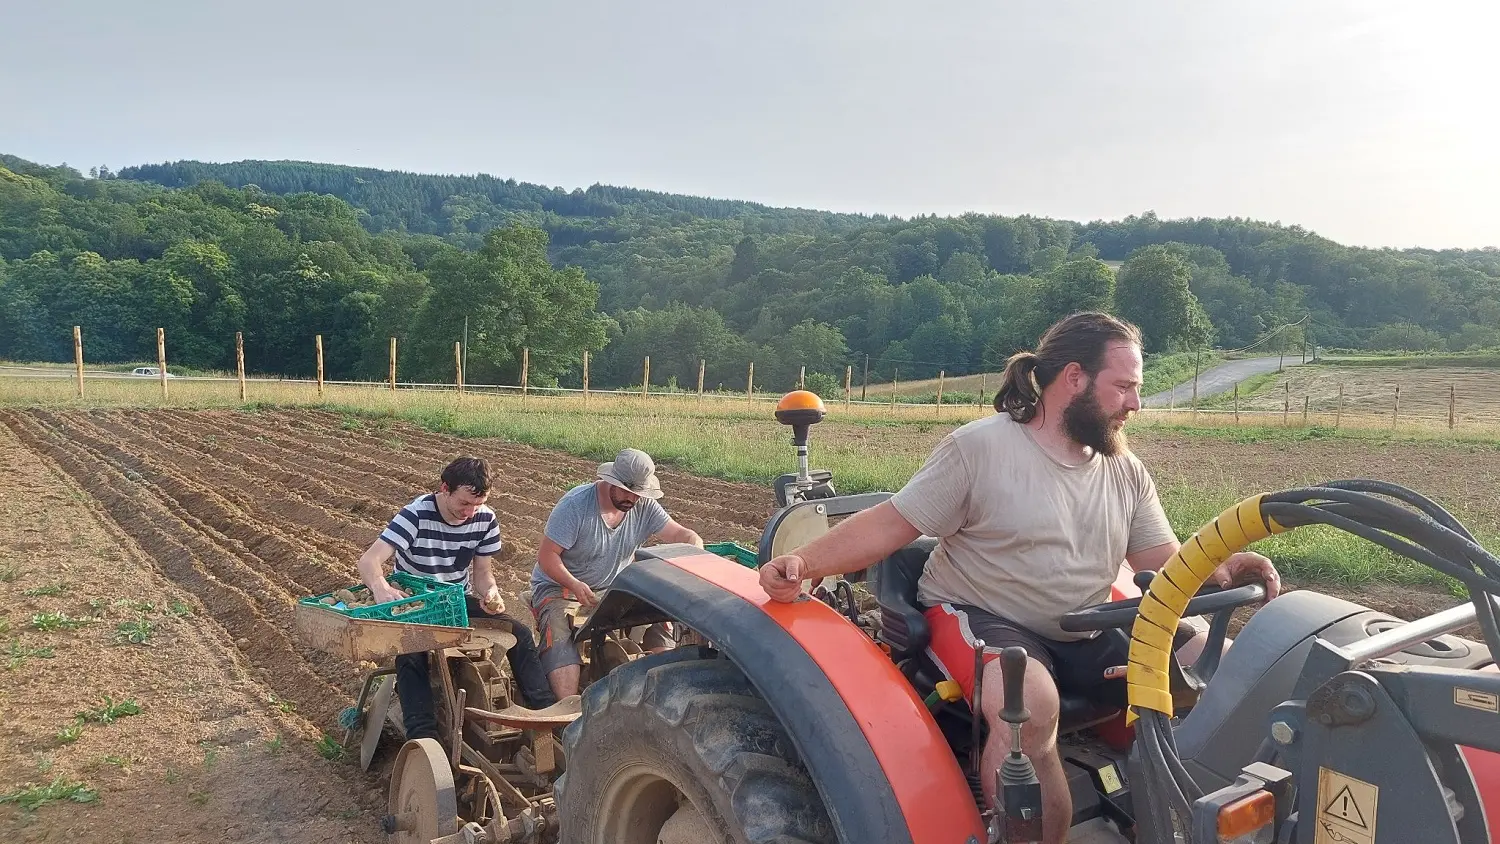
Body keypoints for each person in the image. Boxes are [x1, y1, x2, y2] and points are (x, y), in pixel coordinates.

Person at [756, 312, 1282, 844]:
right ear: (1073, 378)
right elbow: (894, 522)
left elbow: (1159, 561)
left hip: (1087, 620)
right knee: (1027, 708)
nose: (1135, 404)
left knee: (1237, 668)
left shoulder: (1124, 468)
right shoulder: (981, 449)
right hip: (982, 613)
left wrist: (1221, 567)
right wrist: (804, 562)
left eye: (1136, 389)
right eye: (1123, 387)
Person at [357, 456, 557, 742]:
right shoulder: (415, 515)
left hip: (455, 602)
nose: (471, 512)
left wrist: (491, 593)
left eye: (478, 504)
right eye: (465, 503)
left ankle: (544, 713)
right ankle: (423, 736)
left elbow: (482, 574)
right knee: (411, 653)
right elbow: (368, 561)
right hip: (417, 605)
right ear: (444, 489)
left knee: (520, 633)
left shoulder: (485, 519)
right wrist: (379, 587)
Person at [528, 448, 704, 699]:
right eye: (626, 491)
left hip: (614, 587)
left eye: (638, 493)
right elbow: (547, 557)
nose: (632, 498)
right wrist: (575, 584)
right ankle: (567, 711)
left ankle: (663, 691)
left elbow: (681, 534)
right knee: (559, 630)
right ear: (610, 481)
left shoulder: (643, 506)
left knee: (660, 611)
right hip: (562, 588)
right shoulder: (576, 506)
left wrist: (694, 547)